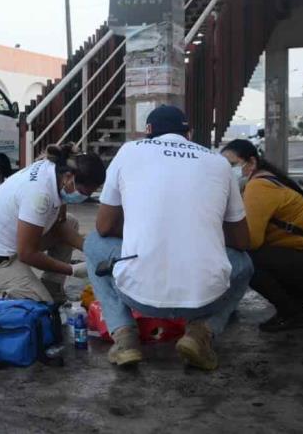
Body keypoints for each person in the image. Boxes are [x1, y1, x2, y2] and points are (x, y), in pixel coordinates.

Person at [85, 105, 252, 371]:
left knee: (93, 243)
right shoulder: (219, 163)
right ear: (189, 133)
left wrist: (144, 231)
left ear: (147, 132)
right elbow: (243, 242)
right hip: (205, 298)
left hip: (138, 295)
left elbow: (104, 227)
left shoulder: (129, 151)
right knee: (244, 264)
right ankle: (201, 334)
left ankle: (125, 337)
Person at [0, 143, 106, 311]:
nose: (85, 197)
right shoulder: (39, 195)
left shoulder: (57, 173)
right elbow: (27, 254)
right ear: (69, 177)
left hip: (18, 240)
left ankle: (51, 288)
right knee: (37, 306)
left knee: (71, 222)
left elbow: (60, 227)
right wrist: (72, 270)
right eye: (84, 192)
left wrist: (92, 250)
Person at [221, 139, 303, 332]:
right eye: (224, 166)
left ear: (251, 163)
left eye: (233, 165)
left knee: (248, 261)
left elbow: (251, 240)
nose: (228, 171)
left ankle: (292, 314)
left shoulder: (259, 186)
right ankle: (298, 296)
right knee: (253, 256)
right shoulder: (266, 179)